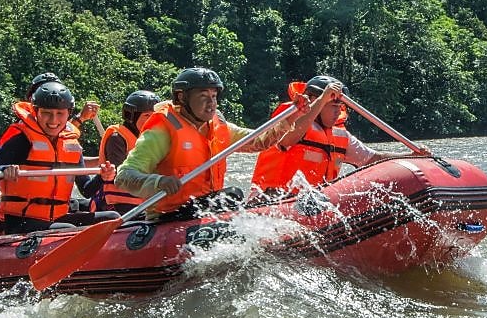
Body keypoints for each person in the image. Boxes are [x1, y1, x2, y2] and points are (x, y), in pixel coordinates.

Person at [114, 67, 327, 220]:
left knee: (242, 198)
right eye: (203, 95)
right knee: (232, 195)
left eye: (214, 95)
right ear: (182, 97)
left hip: (205, 209)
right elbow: (124, 177)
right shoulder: (162, 131)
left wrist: (291, 118)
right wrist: (158, 181)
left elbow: (259, 142)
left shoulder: (218, 126)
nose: (211, 102)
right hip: (169, 216)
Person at [250, 75, 429, 196]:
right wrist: (322, 100)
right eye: (332, 106)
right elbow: (289, 139)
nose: (337, 112)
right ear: (316, 103)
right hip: (272, 199)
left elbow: (372, 158)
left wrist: (411, 156)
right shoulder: (290, 118)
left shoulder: (339, 134)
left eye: (339, 107)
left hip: (311, 206)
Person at [0, 81, 120, 234]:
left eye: (60, 113)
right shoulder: (22, 140)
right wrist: (4, 170)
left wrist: (103, 177)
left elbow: (86, 189)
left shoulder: (71, 145)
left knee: (112, 217)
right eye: (47, 113)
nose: (53, 120)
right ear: (36, 112)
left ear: (68, 113)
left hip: (57, 218)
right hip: (22, 221)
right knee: (67, 230)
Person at [96, 89, 161, 212]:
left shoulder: (152, 139)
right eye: (147, 115)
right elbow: (121, 176)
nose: (151, 120)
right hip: (117, 206)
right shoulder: (117, 138)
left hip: (145, 203)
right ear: (131, 117)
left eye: (154, 116)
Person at [0, 72, 100, 147]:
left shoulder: (61, 128)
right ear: (32, 99)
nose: (52, 96)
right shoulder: (20, 133)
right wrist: (79, 118)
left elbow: (70, 162)